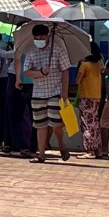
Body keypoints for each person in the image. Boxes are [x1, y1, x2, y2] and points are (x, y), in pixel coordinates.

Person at [22, 24, 72, 163]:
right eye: (36, 37)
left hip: (55, 91)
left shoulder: (58, 50)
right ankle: (41, 154)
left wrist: (65, 92)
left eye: (41, 36)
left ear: (47, 36)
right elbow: (26, 71)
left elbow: (65, 71)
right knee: (40, 124)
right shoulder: (31, 52)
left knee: (55, 123)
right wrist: (41, 73)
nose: (39, 39)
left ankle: (61, 143)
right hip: (38, 92)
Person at [75, 42, 105, 159]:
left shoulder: (84, 65)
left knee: (86, 123)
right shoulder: (98, 65)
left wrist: (80, 63)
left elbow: (77, 80)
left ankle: (89, 150)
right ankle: (98, 149)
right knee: (95, 123)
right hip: (96, 96)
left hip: (86, 96)